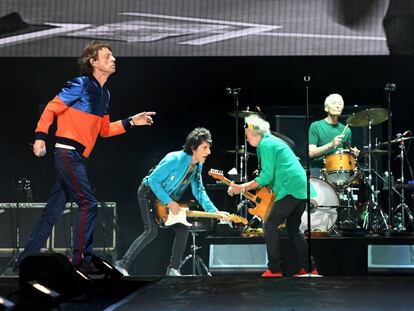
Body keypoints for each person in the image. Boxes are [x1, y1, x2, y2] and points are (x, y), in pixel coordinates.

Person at [16, 41, 156, 273]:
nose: (114, 59)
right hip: (67, 152)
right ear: (93, 62)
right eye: (107, 56)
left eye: (113, 56)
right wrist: (40, 137)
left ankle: (25, 261)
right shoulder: (80, 84)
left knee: (52, 211)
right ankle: (81, 260)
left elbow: (104, 130)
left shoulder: (104, 94)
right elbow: (52, 108)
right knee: (88, 204)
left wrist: (132, 121)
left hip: (77, 157)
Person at [115, 127, 229, 276]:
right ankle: (122, 264)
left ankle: (173, 269)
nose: (208, 152)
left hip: (166, 199)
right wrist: (169, 201)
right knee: (151, 231)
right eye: (205, 147)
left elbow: (199, 191)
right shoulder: (174, 159)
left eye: (209, 148)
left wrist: (215, 212)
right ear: (194, 147)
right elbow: (153, 181)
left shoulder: (197, 166)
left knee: (183, 228)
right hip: (148, 193)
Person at [227, 115, 317, 277]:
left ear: (255, 134)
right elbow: (273, 170)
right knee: (293, 229)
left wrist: (241, 187)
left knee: (268, 225)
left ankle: (275, 270)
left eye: (247, 134)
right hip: (301, 188)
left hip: (291, 189)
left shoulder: (266, 144)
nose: (246, 138)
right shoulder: (271, 141)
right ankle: (309, 268)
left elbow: (266, 177)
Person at [309, 93, 359, 177]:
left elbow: (345, 155)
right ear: (326, 108)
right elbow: (311, 153)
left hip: (337, 170)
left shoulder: (346, 130)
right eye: (334, 103)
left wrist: (353, 153)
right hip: (318, 169)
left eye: (340, 104)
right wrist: (331, 145)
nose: (338, 106)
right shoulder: (316, 126)